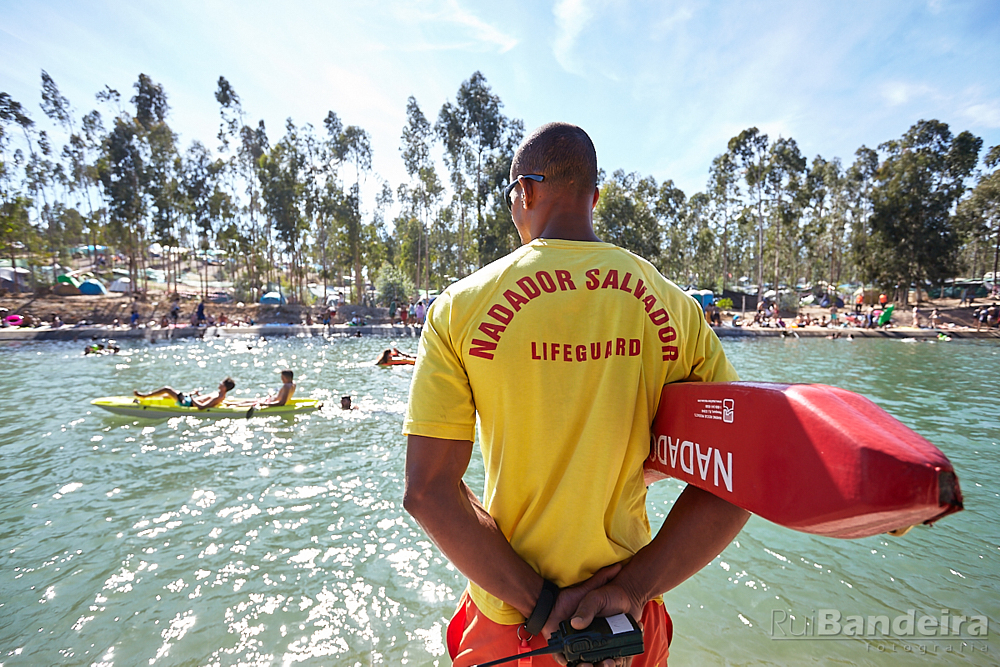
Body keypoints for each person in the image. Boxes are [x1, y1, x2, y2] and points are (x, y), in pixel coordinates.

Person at [402, 123, 748, 667]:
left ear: (526, 191)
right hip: (626, 625)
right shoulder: (674, 307)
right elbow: (737, 473)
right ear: (595, 195)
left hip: (515, 624)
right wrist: (633, 590)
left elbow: (427, 492)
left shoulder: (459, 309)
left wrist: (542, 605)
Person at [134, 377, 235, 409]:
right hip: (189, 400)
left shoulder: (219, 397)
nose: (219, 384)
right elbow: (205, 400)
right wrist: (197, 395)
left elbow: (202, 407)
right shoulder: (219, 394)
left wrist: (192, 398)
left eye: (221, 383)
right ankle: (145, 398)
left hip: (188, 403)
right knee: (166, 395)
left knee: (167, 389)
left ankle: (143, 396)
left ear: (224, 387)